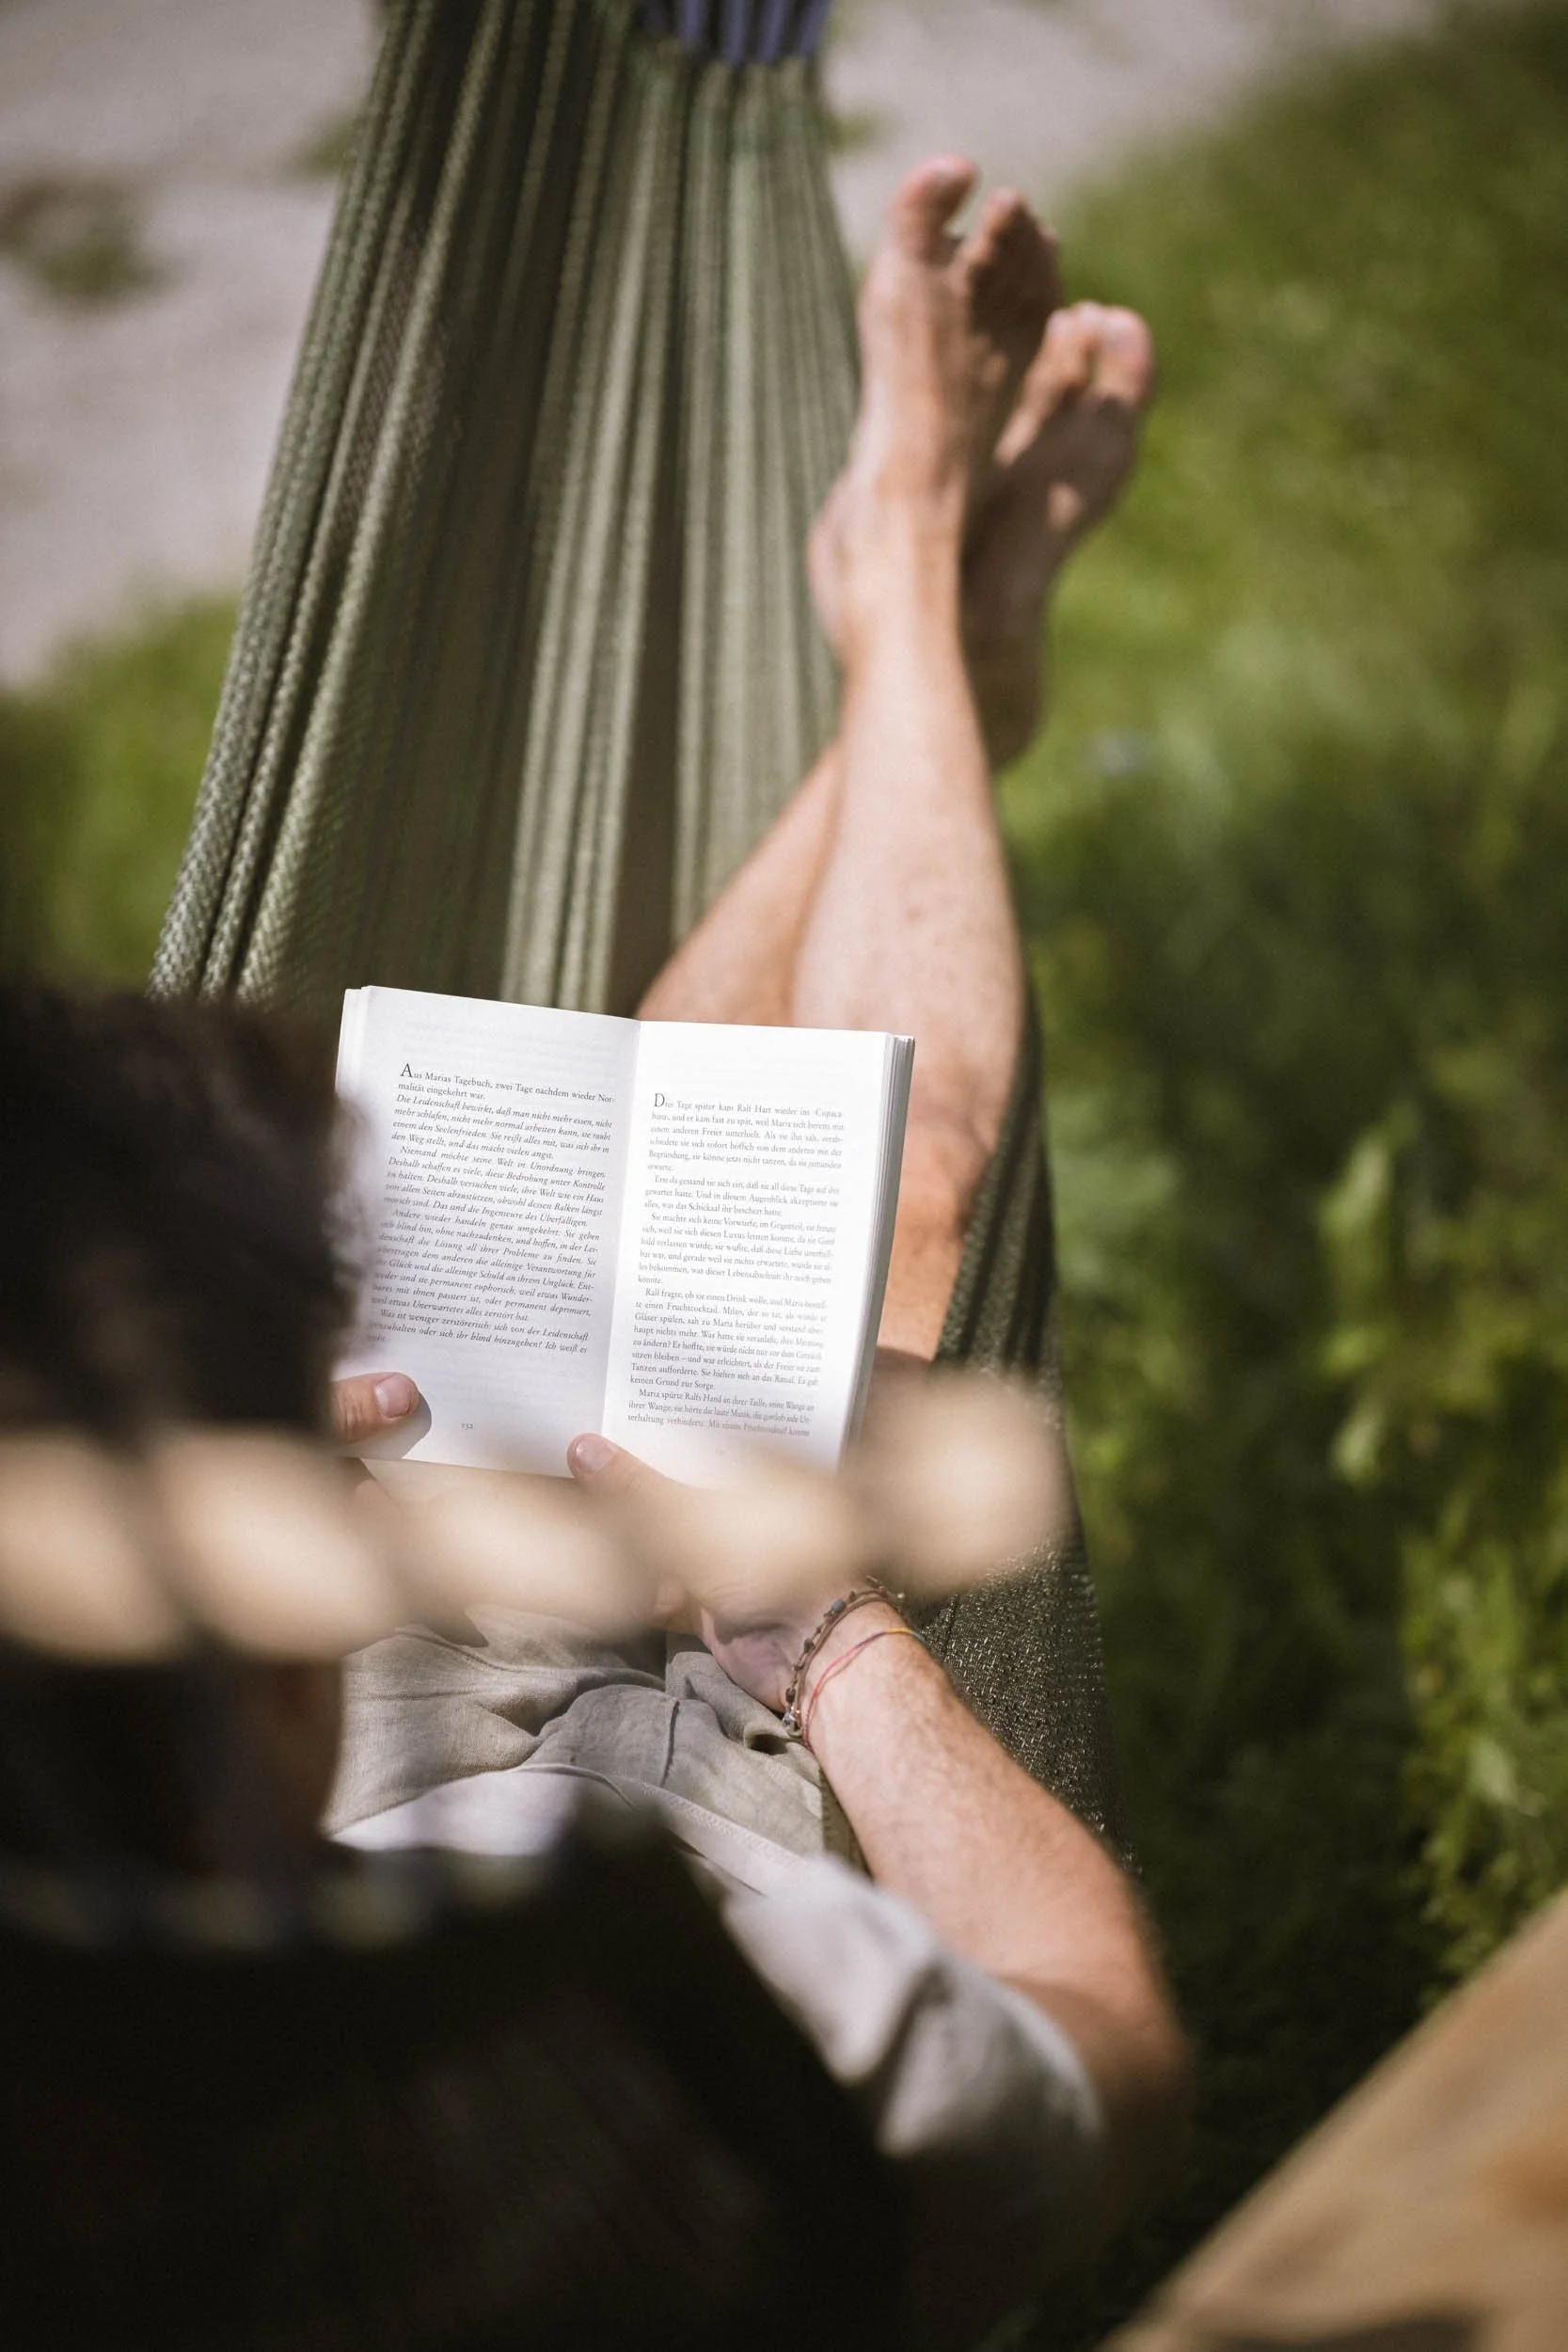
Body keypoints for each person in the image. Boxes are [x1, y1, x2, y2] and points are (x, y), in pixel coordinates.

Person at [328, 155, 1188, 2334]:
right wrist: (833, 1644)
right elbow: (1100, 2034)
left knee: (587, 1229)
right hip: (732, 1741)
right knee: (868, 1198)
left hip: (328, 1719)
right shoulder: (752, 2132)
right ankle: (909, 611)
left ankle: (916, 642)